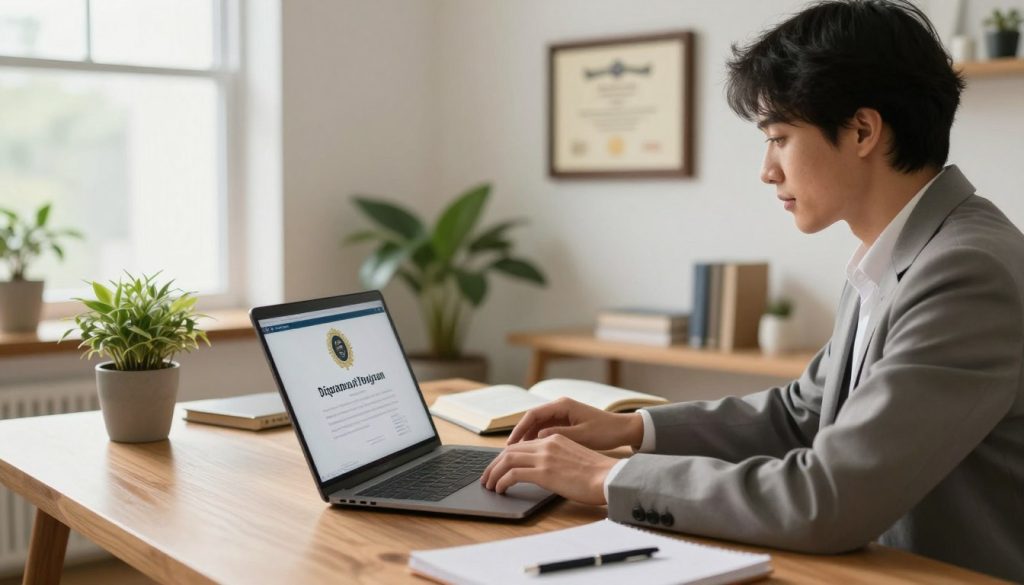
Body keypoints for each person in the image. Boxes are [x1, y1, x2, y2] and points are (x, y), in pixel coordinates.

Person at [480, 1, 1024, 580]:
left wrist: (603, 477)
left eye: (780, 137)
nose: (767, 169)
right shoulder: (898, 252)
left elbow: (829, 498)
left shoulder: (964, 271)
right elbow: (802, 416)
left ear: (863, 130)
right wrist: (633, 429)